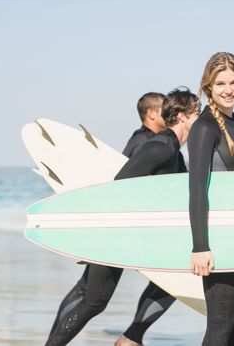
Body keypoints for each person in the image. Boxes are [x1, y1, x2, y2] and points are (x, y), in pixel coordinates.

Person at [44, 88, 200, 346]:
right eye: (198, 113)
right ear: (183, 116)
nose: (202, 120)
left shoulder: (174, 151)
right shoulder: (158, 147)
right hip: (116, 235)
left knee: (176, 278)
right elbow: (118, 188)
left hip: (129, 236)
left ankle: (132, 337)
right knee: (94, 301)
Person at [187, 52, 234, 346]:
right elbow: (197, 191)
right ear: (209, 87)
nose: (228, 89)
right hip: (217, 240)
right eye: (220, 83)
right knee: (219, 328)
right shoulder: (204, 128)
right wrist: (200, 247)